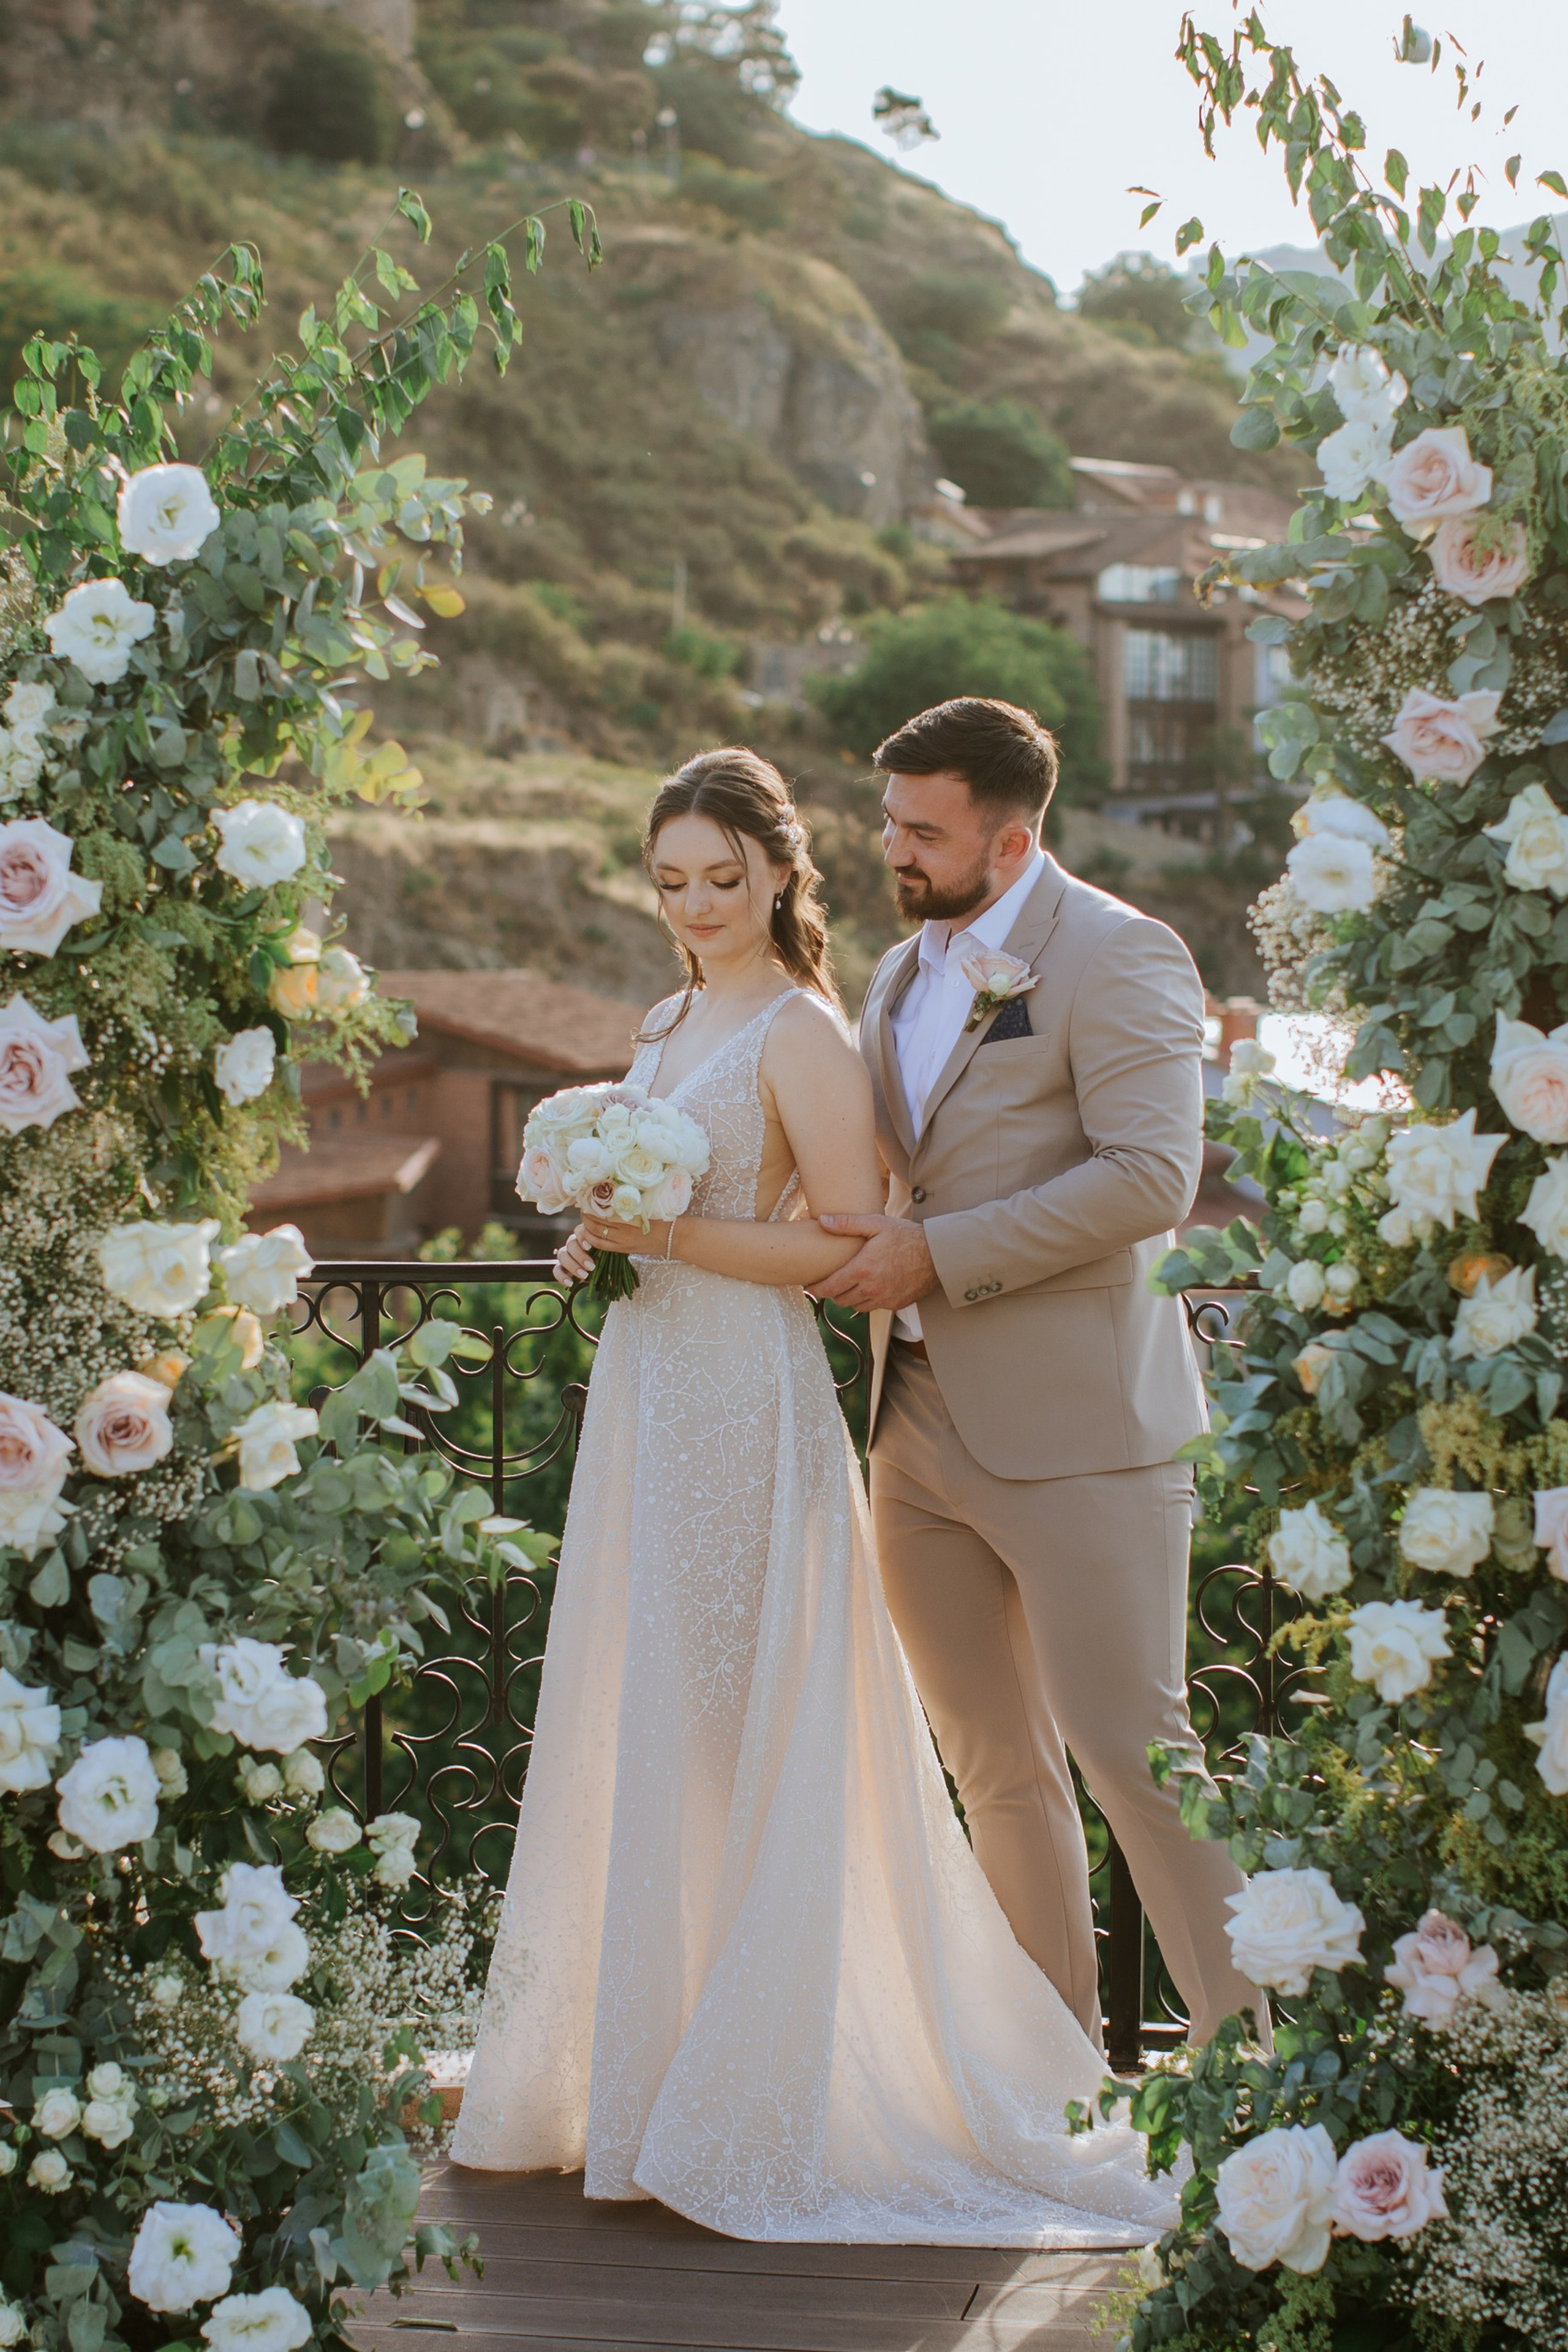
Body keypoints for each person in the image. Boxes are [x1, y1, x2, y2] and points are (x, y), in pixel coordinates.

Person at [450, 745, 1179, 2247]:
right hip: (654, 1403)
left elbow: (847, 1242)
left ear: (782, 873)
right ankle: (653, 2084)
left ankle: (764, 2091)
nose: (697, 905)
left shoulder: (802, 1026)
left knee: (757, 1736)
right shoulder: (667, 1018)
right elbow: (680, 1209)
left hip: (752, 1405)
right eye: (670, 882)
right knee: (655, 1726)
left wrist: (672, 1232)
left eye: (724, 878)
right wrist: (600, 1234)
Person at [811, 695, 1267, 2055]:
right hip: (913, 1424)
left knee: (1136, 1757)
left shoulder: (1119, 953)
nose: (892, 850)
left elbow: (1148, 1178)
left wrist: (936, 1258)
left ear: (1010, 843)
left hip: (1084, 1429)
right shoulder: (898, 975)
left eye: (922, 831)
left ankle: (1258, 2074)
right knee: (992, 1769)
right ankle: (1046, 2081)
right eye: (888, 821)